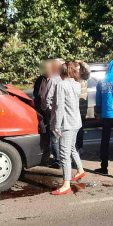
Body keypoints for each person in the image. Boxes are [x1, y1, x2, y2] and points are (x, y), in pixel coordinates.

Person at [52, 61, 85, 195]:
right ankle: (80, 170)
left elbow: (59, 107)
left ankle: (66, 185)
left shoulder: (61, 85)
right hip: (76, 122)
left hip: (67, 124)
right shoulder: (77, 84)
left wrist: (57, 125)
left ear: (62, 72)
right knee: (71, 148)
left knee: (64, 154)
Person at [42, 59, 64, 169]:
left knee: (55, 137)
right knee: (62, 136)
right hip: (64, 113)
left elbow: (46, 98)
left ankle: (58, 160)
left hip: (55, 113)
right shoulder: (67, 80)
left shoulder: (54, 80)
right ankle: (64, 159)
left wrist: (49, 109)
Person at [33, 60, 52, 165]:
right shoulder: (40, 79)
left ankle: (55, 157)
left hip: (51, 111)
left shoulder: (55, 79)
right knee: (44, 133)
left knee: (52, 134)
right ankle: (45, 157)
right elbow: (36, 94)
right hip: (41, 110)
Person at [76, 61, 91, 154]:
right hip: (75, 108)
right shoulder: (73, 79)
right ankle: (76, 147)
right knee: (76, 128)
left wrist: (81, 62)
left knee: (80, 128)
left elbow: (88, 70)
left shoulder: (84, 78)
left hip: (82, 108)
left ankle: (79, 146)